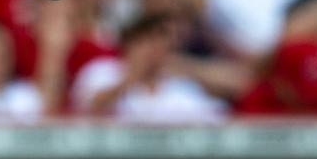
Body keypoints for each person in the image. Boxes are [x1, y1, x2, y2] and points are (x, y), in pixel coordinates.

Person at [71, 12, 228, 122]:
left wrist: (186, 68)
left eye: (163, 44)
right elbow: (89, 107)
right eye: (149, 41)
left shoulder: (180, 88)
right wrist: (133, 75)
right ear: (131, 41)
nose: (155, 49)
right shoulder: (102, 70)